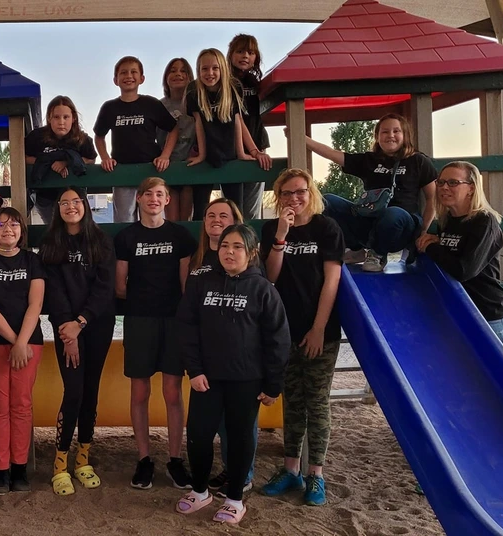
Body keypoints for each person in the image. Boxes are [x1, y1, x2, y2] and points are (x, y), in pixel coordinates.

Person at [176, 224, 290, 524]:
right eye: (225, 245)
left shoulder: (263, 289)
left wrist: (273, 384)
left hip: (246, 380)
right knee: (199, 436)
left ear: (252, 253)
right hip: (206, 379)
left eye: (238, 247)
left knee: (240, 439)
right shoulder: (201, 284)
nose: (229, 251)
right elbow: (187, 327)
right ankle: (200, 491)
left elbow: (278, 340)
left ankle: (235, 498)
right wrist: (194, 369)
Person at [259, 168, 344, 507]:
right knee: (292, 403)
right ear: (278, 198)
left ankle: (316, 474)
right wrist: (281, 235)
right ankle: (291, 468)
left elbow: (331, 281)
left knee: (317, 402)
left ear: (311, 193)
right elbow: (270, 276)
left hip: (319, 330)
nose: (294, 198)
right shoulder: (271, 229)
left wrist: (319, 328)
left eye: (300, 192)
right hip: (284, 331)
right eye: (287, 193)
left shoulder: (327, 228)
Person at [114, 178, 198, 490]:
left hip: (173, 321)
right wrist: (143, 301)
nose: (153, 198)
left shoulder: (180, 235)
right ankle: (144, 459)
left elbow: (185, 284)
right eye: (148, 193)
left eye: (159, 194)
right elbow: (120, 285)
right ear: (138, 199)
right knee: (139, 393)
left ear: (166, 201)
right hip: (139, 321)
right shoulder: (126, 236)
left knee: (173, 393)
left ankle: (175, 459)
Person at [40, 186, 117, 496]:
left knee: (90, 390)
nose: (70, 207)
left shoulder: (100, 241)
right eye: (64, 203)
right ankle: (60, 462)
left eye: (76, 201)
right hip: (65, 329)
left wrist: (81, 322)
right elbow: (54, 291)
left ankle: (83, 457)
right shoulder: (51, 243)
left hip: (96, 324)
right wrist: (67, 330)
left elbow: (104, 288)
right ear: (58, 208)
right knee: (73, 390)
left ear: (85, 205)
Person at [182, 198, 258, 496]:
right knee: (206, 424)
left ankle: (240, 473)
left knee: (237, 422)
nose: (216, 219)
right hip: (205, 353)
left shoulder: (245, 260)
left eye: (223, 215)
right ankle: (223, 471)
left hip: (238, 358)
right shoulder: (198, 257)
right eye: (210, 214)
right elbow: (187, 304)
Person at [302, 113, 437, 272]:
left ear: (405, 135)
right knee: (327, 200)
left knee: (392, 214)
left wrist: (423, 231)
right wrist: (301, 138)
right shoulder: (369, 160)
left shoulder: (418, 161)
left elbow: (432, 199)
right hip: (370, 221)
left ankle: (378, 254)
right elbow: (332, 154)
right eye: (385, 132)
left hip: (400, 228)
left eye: (396, 131)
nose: (390, 135)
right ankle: (356, 249)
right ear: (377, 136)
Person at [0, 206, 47, 494]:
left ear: (21, 231)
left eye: (14, 225)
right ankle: (1, 469)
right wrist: (13, 340)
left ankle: (20, 468)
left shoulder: (32, 261)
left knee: (22, 405)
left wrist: (21, 342)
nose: (8, 229)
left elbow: (35, 304)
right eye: (2, 224)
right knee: (0, 406)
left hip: (29, 343)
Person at [417, 161, 503, 352]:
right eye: (441, 182)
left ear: (471, 188)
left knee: (495, 383)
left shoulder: (484, 221)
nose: (444, 187)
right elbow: (449, 257)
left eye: (453, 182)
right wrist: (436, 243)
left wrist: (431, 247)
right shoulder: (447, 221)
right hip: (463, 317)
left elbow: (463, 270)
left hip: (491, 319)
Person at [94, 55, 179, 223]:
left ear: (142, 78)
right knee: (124, 219)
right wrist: (105, 158)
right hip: (122, 171)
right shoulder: (109, 107)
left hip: (151, 170)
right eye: (123, 73)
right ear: (115, 80)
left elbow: (174, 128)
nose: (128, 76)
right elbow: (99, 136)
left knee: (154, 217)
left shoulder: (151, 104)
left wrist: (165, 156)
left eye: (134, 72)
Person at [186, 48, 269, 210]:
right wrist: (202, 154)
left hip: (230, 153)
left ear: (222, 69)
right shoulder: (194, 93)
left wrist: (244, 152)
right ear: (199, 71)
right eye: (205, 69)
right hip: (208, 152)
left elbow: (238, 122)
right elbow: (199, 125)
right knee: (200, 208)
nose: (210, 73)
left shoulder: (232, 88)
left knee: (234, 207)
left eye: (215, 68)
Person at [24, 96, 98, 223]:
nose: (61, 122)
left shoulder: (83, 139)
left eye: (66, 117)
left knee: (77, 231)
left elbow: (91, 159)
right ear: (49, 118)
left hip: (75, 197)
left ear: (73, 118)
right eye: (56, 117)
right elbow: (23, 158)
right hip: (45, 196)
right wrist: (49, 162)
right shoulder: (36, 137)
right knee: (53, 231)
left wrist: (67, 162)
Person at [229, 34, 274, 220]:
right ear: (230, 55)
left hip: (257, 146)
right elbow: (236, 119)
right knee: (233, 208)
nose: (245, 56)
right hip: (233, 150)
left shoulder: (257, 84)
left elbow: (257, 119)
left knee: (252, 209)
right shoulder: (226, 83)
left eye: (250, 52)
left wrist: (259, 149)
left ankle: (251, 247)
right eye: (240, 51)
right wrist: (253, 150)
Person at [159, 58, 199, 222]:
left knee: (187, 219)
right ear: (166, 77)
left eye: (183, 71)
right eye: (173, 70)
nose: (178, 74)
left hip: (190, 164)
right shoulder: (159, 105)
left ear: (190, 77)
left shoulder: (196, 103)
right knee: (172, 219)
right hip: (166, 167)